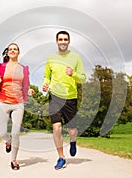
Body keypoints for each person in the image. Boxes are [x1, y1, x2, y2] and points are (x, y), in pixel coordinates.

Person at [42, 31, 86, 170]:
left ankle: (73, 141)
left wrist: (73, 74)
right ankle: (61, 157)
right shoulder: (50, 58)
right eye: (60, 39)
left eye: (65, 39)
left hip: (70, 97)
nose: (63, 41)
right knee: (57, 128)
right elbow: (46, 76)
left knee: (72, 130)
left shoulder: (76, 58)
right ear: (56, 41)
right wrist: (45, 84)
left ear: (69, 41)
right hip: (54, 96)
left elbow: (83, 78)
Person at [0, 43, 34, 170]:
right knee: (2, 133)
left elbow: (26, 85)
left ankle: (14, 160)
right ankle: (7, 141)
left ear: (18, 52)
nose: (13, 51)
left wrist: (29, 91)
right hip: (4, 102)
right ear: (7, 52)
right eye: (10, 49)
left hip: (18, 103)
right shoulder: (1, 67)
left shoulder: (23, 69)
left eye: (15, 49)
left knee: (15, 133)